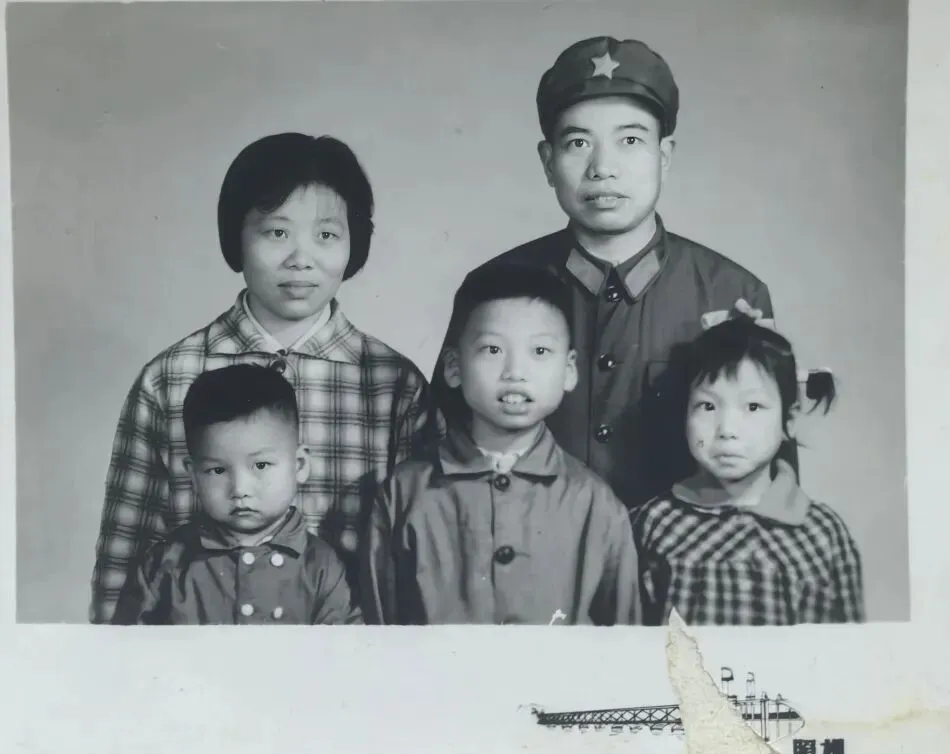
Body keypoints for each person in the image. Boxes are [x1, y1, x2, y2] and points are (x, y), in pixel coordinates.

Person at [430, 35, 795, 510]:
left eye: (630, 141)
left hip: (678, 555)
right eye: (579, 143)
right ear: (548, 162)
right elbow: (441, 456)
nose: (603, 168)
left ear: (664, 156)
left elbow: (772, 486)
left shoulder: (732, 293)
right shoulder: (493, 287)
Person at [89, 132, 437, 624]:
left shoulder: (393, 385)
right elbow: (122, 562)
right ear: (236, 237)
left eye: (326, 235)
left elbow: (419, 560)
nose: (301, 258)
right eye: (276, 233)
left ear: (354, 243)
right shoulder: (168, 378)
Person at [361, 261, 641, 625]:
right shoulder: (403, 493)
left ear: (569, 370)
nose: (515, 372)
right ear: (454, 367)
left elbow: (625, 638)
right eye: (493, 349)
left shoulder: (595, 502)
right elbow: (378, 628)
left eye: (540, 351)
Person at [631, 311, 865, 625]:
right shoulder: (652, 524)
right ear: (684, 414)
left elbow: (849, 644)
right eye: (707, 406)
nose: (727, 429)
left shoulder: (823, 533)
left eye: (753, 406)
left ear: (789, 420)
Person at [112, 365, 363, 625]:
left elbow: (345, 648)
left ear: (299, 465)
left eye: (261, 465)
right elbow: (123, 646)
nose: (240, 490)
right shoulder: (164, 564)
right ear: (194, 475)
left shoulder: (323, 567)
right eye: (218, 470)